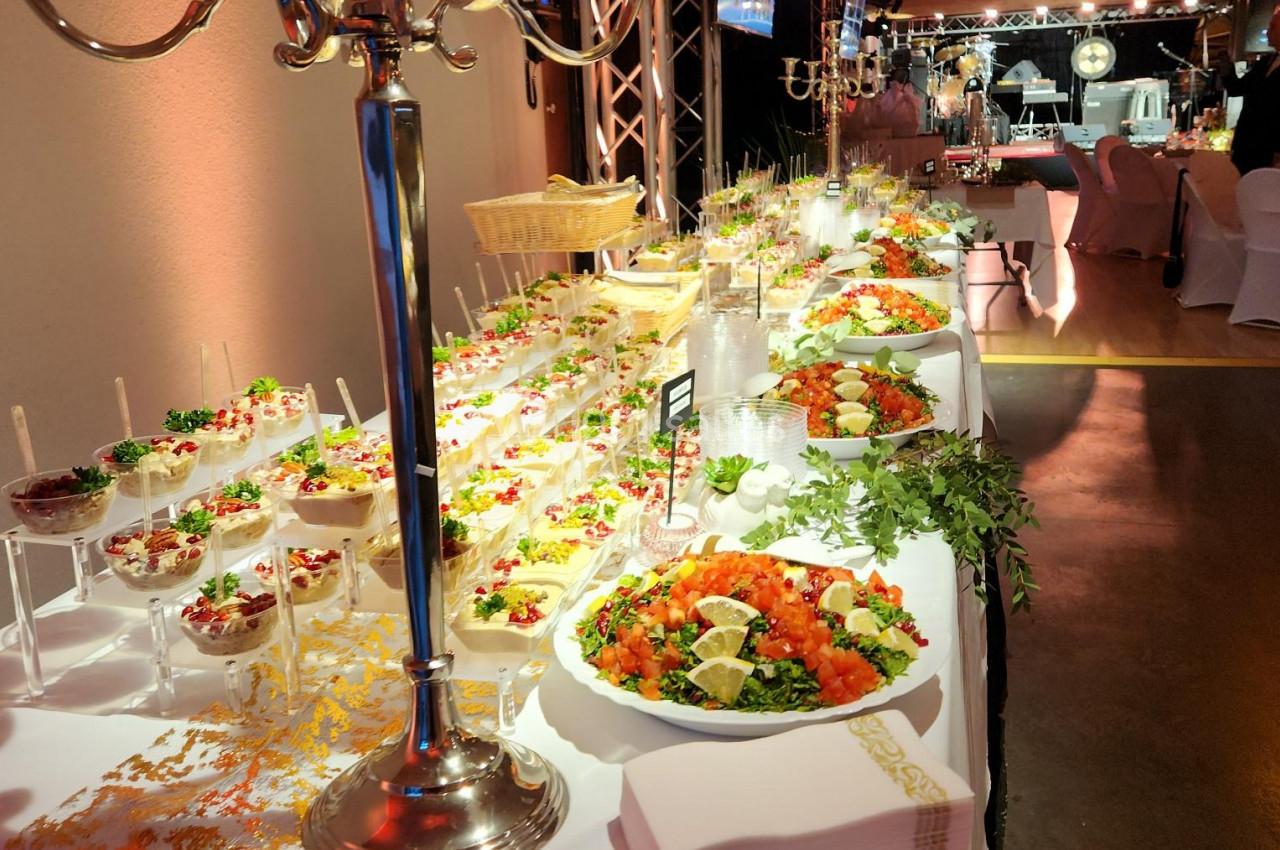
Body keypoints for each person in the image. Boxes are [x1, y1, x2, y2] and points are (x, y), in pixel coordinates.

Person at [1218, 5, 1280, 174]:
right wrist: (1226, 68)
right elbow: (1236, 88)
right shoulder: (1266, 62)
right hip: (1247, 146)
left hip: (1271, 150)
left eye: (1272, 27)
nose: (1267, 33)